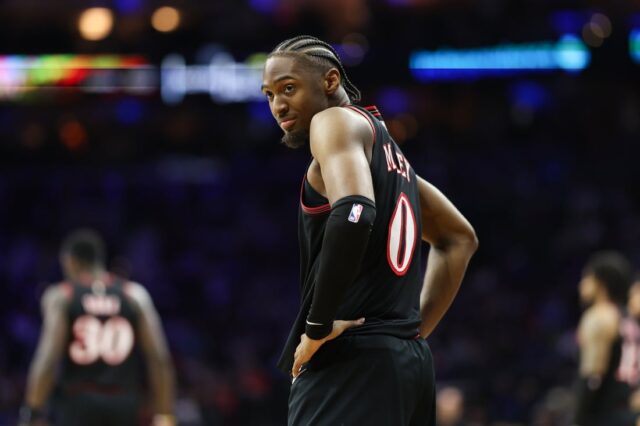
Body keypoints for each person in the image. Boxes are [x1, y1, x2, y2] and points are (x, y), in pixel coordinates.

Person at [261, 35, 478, 425]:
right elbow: (459, 239)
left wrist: (317, 326)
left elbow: (355, 210)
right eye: (269, 94)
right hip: (407, 366)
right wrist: (408, 333)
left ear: (330, 81)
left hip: (352, 360)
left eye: (288, 88)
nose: (278, 105)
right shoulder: (390, 153)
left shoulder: (333, 121)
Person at [20, 229, 176, 426]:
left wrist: (33, 412)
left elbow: (48, 358)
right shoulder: (135, 295)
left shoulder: (62, 296)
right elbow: (159, 358)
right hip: (123, 404)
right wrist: (164, 414)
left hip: (77, 404)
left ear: (70, 261)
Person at [574, 251, 638, 426]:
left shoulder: (599, 316)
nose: (582, 284)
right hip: (630, 411)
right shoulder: (630, 319)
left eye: (587, 277)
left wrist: (577, 419)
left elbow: (593, 375)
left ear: (600, 283)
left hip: (606, 414)